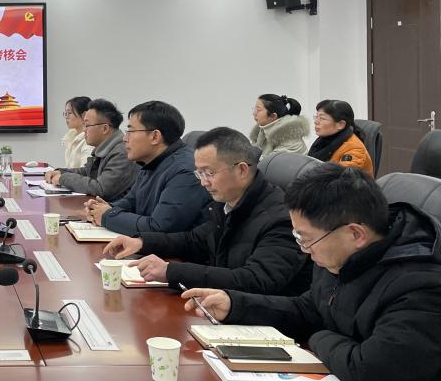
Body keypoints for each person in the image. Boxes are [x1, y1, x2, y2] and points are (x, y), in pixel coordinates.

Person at [182, 166, 441, 381]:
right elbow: (310, 307)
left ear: (355, 233)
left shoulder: (423, 285)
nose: (305, 250)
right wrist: (235, 304)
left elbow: (372, 376)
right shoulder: (344, 254)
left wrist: (318, 337)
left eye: (306, 239)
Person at [104, 127, 310, 294]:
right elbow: (195, 240)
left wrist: (171, 271)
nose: (203, 183)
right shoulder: (226, 202)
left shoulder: (281, 220)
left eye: (209, 173)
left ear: (242, 170)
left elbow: (255, 280)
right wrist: (142, 242)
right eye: (199, 174)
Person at [83, 100, 211, 235]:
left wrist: (107, 215)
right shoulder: (151, 161)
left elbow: (159, 228)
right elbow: (132, 201)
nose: (124, 139)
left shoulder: (185, 172)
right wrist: (102, 208)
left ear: (155, 136)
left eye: (131, 131)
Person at [44, 98, 137, 198]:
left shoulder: (122, 152)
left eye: (87, 125)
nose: (84, 130)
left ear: (105, 128)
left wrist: (63, 178)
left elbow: (101, 189)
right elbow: (87, 172)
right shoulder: (104, 148)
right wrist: (61, 172)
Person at [308, 99, 373, 175]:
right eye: (316, 117)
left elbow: (343, 178)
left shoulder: (354, 149)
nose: (316, 122)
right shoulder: (324, 140)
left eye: (322, 118)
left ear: (341, 124)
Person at [249, 93, 309, 157]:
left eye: (258, 110)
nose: (254, 113)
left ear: (273, 116)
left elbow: (269, 162)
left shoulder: (291, 141)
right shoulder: (262, 132)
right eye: (255, 109)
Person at [60, 96, 92, 168]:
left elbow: (85, 171)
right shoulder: (70, 137)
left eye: (69, 113)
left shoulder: (89, 140)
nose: (66, 117)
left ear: (84, 115)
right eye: (65, 113)